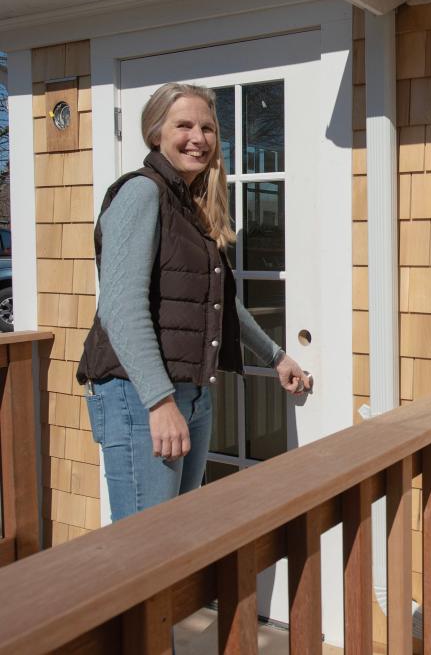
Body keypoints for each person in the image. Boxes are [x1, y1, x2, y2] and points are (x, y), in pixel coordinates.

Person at [76, 82, 310, 522]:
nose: (197, 138)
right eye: (183, 125)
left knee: (177, 535)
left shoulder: (187, 207)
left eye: (206, 128)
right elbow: (120, 307)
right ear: (155, 133)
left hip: (191, 393)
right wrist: (160, 403)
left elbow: (218, 301)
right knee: (148, 545)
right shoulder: (142, 193)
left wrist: (275, 355)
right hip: (140, 396)